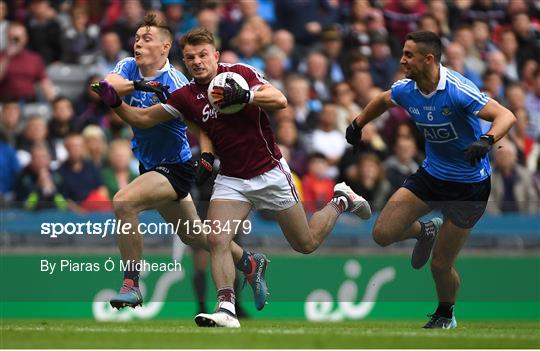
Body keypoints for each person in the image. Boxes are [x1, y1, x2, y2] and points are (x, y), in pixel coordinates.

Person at [91, 27, 371, 328]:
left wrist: (246, 95)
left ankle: (341, 200)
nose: (197, 62)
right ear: (184, 61)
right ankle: (226, 307)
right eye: (190, 58)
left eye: (202, 55)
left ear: (216, 55)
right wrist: (116, 102)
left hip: (269, 171)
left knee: (305, 243)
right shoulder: (186, 95)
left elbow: (280, 100)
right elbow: (145, 118)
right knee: (214, 237)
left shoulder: (239, 73)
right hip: (232, 178)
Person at [345, 31, 516, 329]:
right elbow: (384, 99)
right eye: (402, 53)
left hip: (469, 187)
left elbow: (506, 116)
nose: (402, 60)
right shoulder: (406, 89)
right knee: (382, 233)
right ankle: (425, 231)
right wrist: (357, 123)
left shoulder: (458, 90)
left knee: (440, 264)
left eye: (408, 55)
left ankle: (445, 314)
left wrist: (487, 141)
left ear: (429, 59)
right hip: (431, 176)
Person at [98, 15, 267, 312]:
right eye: (137, 37)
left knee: (124, 202)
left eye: (146, 39)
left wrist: (206, 155)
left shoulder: (177, 84)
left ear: (165, 47)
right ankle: (249, 262)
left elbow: (200, 124)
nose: (138, 43)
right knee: (195, 235)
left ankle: (131, 285)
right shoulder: (128, 67)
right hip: (149, 166)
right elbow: (108, 84)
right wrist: (139, 85)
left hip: (175, 167)